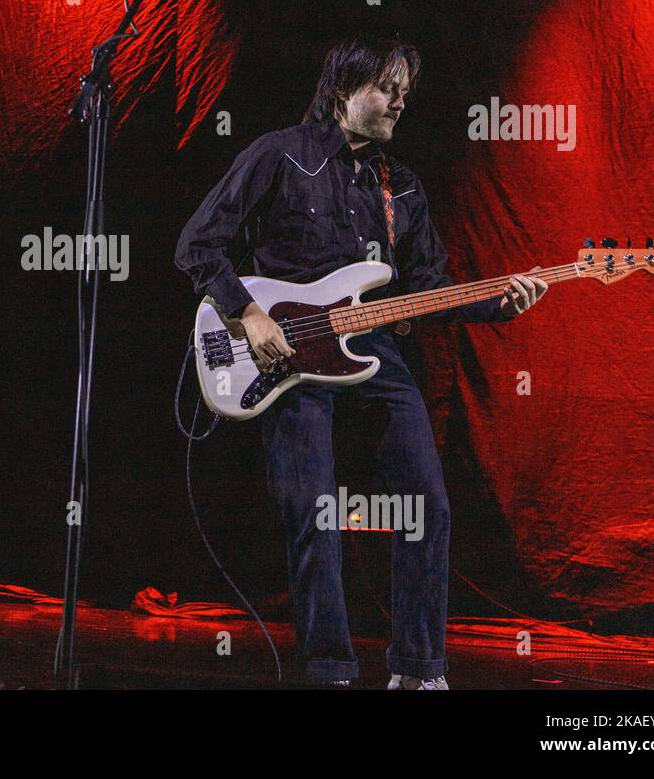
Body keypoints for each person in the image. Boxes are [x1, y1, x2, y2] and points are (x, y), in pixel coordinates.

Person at [175, 36, 547, 689]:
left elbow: (429, 288)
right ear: (345, 90)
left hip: (372, 352)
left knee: (427, 503)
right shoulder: (279, 155)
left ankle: (418, 671)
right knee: (314, 511)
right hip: (282, 355)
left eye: (406, 89)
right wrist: (248, 313)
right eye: (388, 88)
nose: (401, 100)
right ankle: (330, 671)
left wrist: (498, 302)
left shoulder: (399, 187)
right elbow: (196, 244)